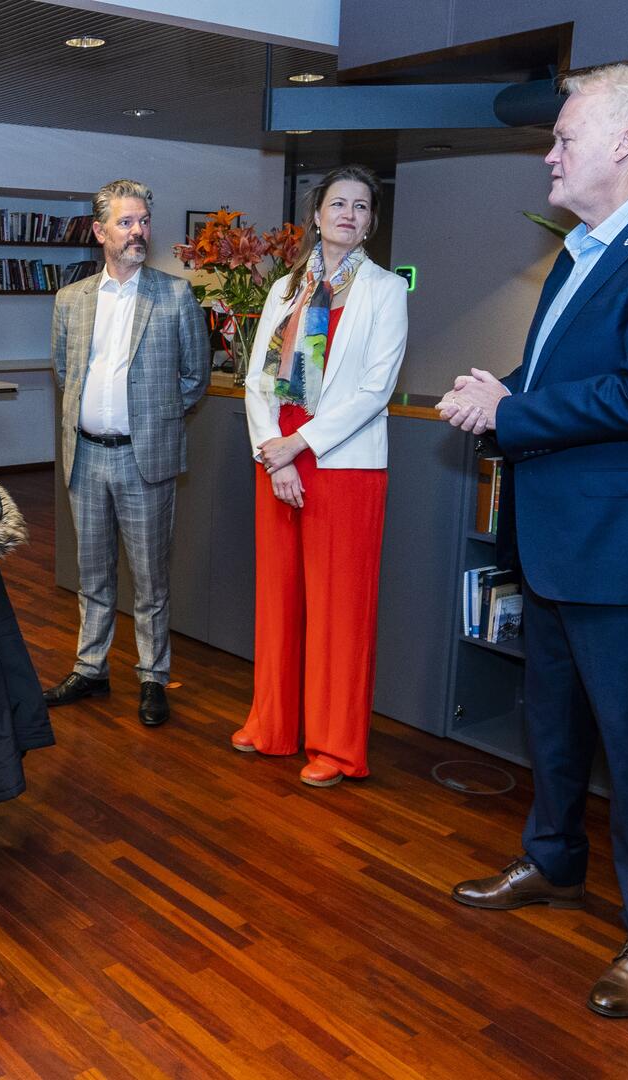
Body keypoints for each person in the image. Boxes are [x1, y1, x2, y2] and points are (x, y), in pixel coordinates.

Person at [436, 62, 628, 1018]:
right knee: (554, 725)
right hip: (559, 540)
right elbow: (563, 373)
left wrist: (512, 411)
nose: (550, 153)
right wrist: (506, 391)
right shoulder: (582, 249)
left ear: (625, 141)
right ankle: (554, 863)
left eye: (565, 136)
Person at [232, 165, 408, 787]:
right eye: (339, 203)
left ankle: (335, 747)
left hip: (343, 463)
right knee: (278, 598)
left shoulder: (386, 290)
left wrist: (297, 445)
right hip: (277, 457)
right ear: (316, 214)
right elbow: (256, 380)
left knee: (339, 610)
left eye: (362, 207)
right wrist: (272, 450)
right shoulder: (286, 289)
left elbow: (374, 390)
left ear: (371, 222)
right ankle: (273, 724)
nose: (349, 214)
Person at [42, 178, 210, 728]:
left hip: (145, 459)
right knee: (92, 574)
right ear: (100, 231)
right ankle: (90, 668)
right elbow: (65, 372)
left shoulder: (175, 295)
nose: (138, 231)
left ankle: (152, 677)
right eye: (125, 222)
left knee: (150, 580)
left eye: (143, 221)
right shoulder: (71, 300)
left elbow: (195, 377)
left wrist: (154, 419)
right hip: (86, 458)